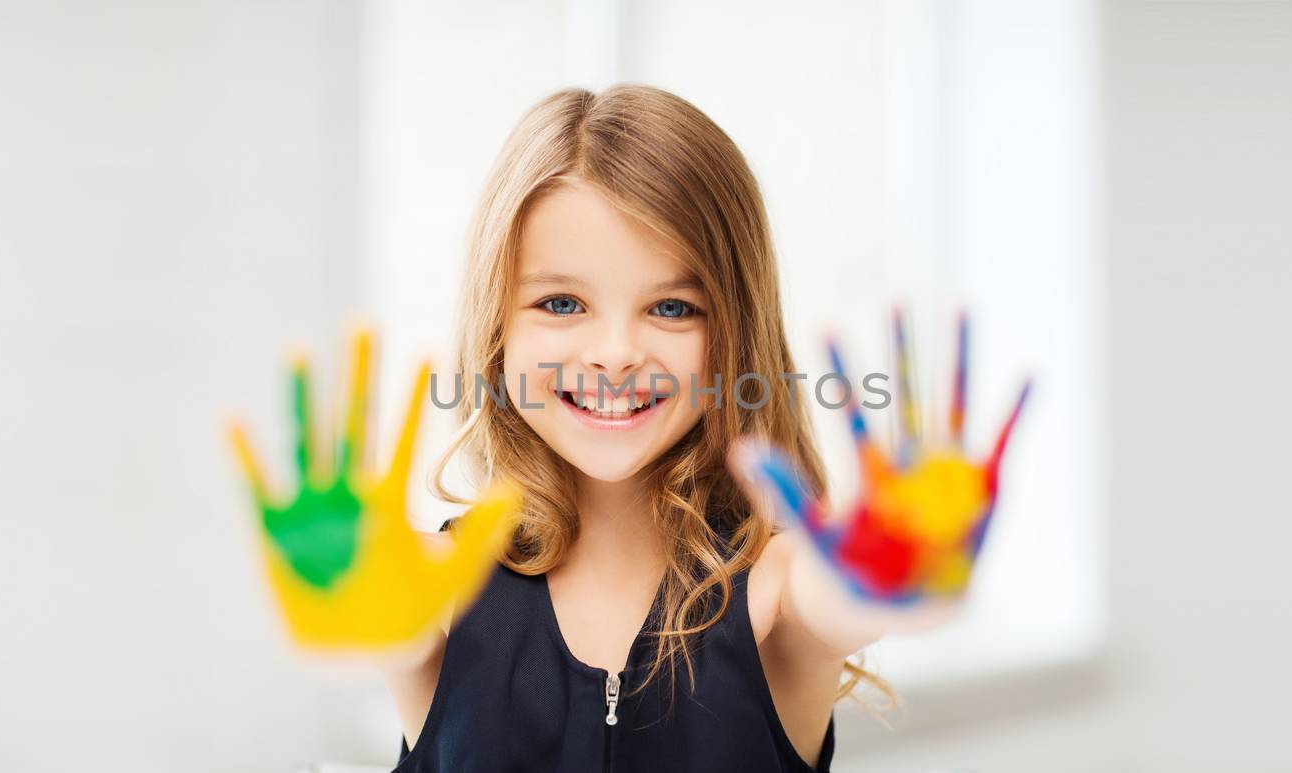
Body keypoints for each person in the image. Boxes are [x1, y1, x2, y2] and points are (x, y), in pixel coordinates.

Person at [384, 84, 968, 773]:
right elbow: (370, 633)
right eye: (562, 302)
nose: (616, 351)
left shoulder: (778, 595)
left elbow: (837, 598)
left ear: (734, 335)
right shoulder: (432, 584)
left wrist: (895, 562)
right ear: (496, 327)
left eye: (671, 308)